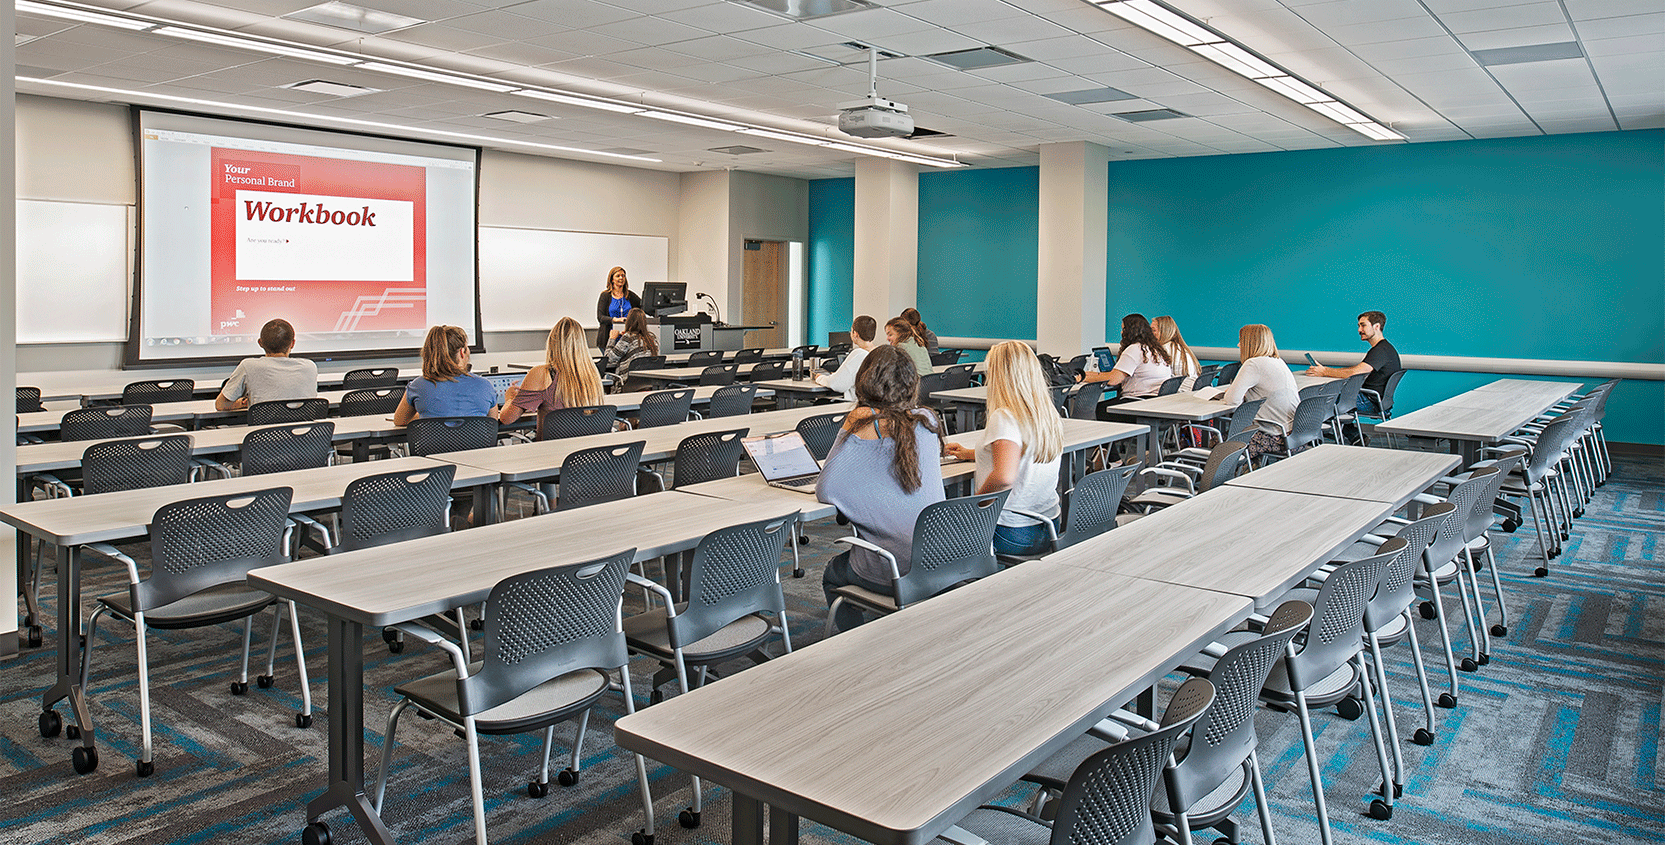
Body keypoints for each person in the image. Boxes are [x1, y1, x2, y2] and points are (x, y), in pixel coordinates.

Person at [816, 345, 946, 632]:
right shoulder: (928, 420)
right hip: (939, 558)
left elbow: (825, 488)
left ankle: (860, 643)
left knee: (832, 575)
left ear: (865, 380)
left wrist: (848, 427)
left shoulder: (865, 428)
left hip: (894, 568)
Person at [944, 341, 1063, 556]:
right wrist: (971, 454)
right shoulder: (1046, 413)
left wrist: (976, 507)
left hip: (1012, 531)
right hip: (1050, 525)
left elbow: (1004, 477)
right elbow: (1022, 453)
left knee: (943, 529)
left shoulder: (1005, 417)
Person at [500, 317, 606, 439]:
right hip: (587, 454)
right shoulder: (593, 375)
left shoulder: (543, 373)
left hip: (551, 454)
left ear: (552, 342)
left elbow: (506, 419)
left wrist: (509, 398)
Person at [1220, 324, 1300, 464]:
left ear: (1250, 343)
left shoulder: (1253, 364)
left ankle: (1219, 481)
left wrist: (1234, 391)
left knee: (1219, 442)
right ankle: (1250, 470)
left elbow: (1232, 401)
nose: (1238, 345)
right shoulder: (1278, 361)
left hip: (1272, 435)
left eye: (1241, 340)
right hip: (1293, 433)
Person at [394, 325, 498, 425]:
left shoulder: (418, 386)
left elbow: (399, 421)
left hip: (433, 444)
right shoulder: (485, 386)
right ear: (462, 352)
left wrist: (423, 416)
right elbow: (492, 422)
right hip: (476, 444)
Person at [1305, 310, 1401, 417]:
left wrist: (1324, 371)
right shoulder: (1385, 348)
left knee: (1316, 403)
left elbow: (1356, 372)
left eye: (1363, 325)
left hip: (1369, 401)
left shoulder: (1381, 351)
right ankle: (1350, 433)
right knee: (1332, 398)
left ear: (1376, 326)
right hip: (1376, 400)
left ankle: (1347, 433)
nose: (1359, 330)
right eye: (1359, 326)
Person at [215, 318, 318, 411]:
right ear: (292, 343)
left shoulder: (248, 366)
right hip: (304, 431)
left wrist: (240, 404)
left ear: (260, 343)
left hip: (264, 431)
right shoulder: (310, 367)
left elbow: (220, 404)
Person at [1081, 313, 1174, 414]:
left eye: (1124, 329)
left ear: (1131, 331)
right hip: (1156, 404)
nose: (1121, 332)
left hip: (1137, 403)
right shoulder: (1155, 350)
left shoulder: (1135, 349)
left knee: (1095, 409)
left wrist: (1084, 376)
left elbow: (1113, 379)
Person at [814, 315, 877, 401]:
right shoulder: (879, 352)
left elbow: (837, 384)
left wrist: (820, 378)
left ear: (855, 334)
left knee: (820, 402)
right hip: (873, 405)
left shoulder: (859, 354)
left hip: (855, 404)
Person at [604, 307, 660, 393]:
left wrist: (611, 339)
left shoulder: (628, 337)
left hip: (626, 385)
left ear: (628, 321)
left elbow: (608, 359)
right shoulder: (652, 338)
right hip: (647, 385)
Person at [594, 266, 641, 352]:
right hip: (608, 339)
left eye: (623, 276)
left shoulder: (630, 295)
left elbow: (644, 307)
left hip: (627, 339)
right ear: (612, 279)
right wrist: (616, 320)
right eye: (618, 276)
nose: (621, 278)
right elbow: (600, 317)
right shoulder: (605, 296)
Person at [1152, 315, 1202, 391]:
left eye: (1153, 330)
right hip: (1191, 391)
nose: (1150, 334)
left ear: (1164, 331)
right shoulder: (1180, 348)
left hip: (1180, 393)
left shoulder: (1163, 350)